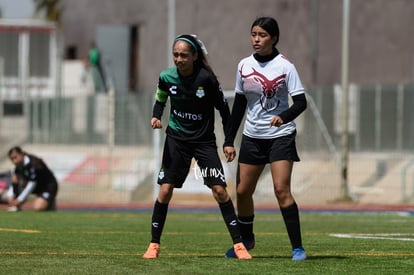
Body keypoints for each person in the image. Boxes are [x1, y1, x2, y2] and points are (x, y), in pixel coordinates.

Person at [142, 34, 252, 260]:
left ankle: (239, 245)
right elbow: (161, 97)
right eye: (175, 55)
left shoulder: (207, 79)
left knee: (220, 190)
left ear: (194, 56)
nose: (179, 59)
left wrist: (229, 141)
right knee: (165, 189)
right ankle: (154, 245)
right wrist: (156, 116)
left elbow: (224, 110)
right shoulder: (166, 77)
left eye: (183, 55)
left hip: (203, 143)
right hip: (176, 140)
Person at [223, 17, 307, 261]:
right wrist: (229, 139)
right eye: (253, 34)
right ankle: (247, 240)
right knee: (242, 191)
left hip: (280, 137)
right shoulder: (243, 65)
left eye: (261, 35)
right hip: (253, 136)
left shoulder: (285, 66)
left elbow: (300, 102)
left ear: (274, 38)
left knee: (281, 190)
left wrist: (284, 116)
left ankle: (297, 248)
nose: (256, 39)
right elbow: (238, 105)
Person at [6, 146, 58, 211]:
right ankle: (17, 206)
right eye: (12, 159)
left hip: (47, 187)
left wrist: (19, 200)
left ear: (22, 154)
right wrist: (11, 196)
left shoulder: (33, 163)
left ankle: (50, 201)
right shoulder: (18, 166)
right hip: (36, 187)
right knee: (15, 178)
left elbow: (32, 184)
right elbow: (15, 181)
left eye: (15, 157)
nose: (14, 161)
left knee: (38, 207)